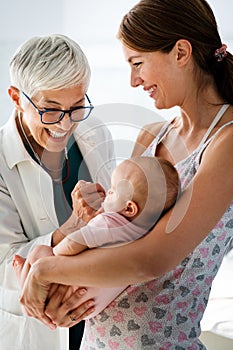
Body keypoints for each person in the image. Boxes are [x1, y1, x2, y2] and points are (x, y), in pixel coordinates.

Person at [19, 0, 233, 348]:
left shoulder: (227, 143)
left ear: (181, 52)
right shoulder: (152, 135)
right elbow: (121, 237)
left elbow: (151, 260)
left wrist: (46, 271)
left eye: (138, 63)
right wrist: (86, 221)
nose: (134, 81)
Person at [0, 34, 115, 350]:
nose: (65, 125)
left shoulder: (94, 131)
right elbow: (4, 262)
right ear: (15, 97)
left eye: (77, 107)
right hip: (37, 329)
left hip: (99, 314)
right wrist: (73, 227)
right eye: (50, 110)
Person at [13, 155, 180, 319]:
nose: (108, 191)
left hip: (66, 286)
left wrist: (54, 257)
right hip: (92, 304)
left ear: (129, 209)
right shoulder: (144, 234)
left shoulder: (108, 222)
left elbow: (73, 243)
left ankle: (24, 279)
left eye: (113, 191)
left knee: (40, 251)